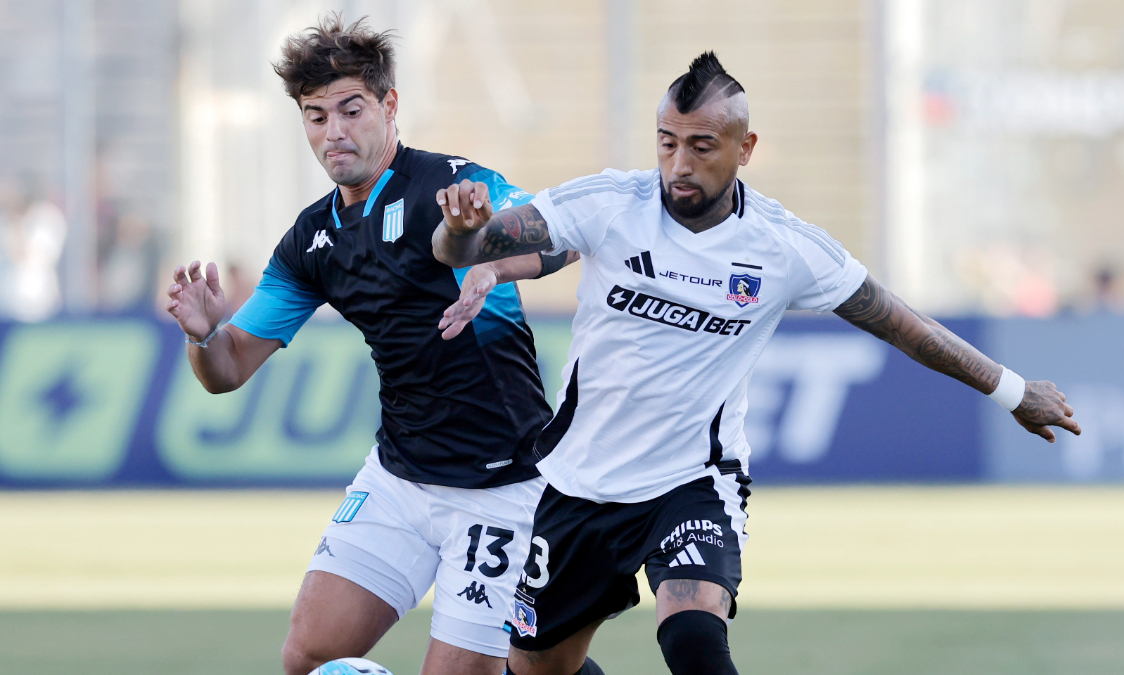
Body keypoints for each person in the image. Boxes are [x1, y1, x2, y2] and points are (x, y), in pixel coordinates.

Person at [432, 52, 1082, 675]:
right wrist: (463, 232)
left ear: (745, 148)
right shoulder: (609, 204)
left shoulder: (782, 247)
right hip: (579, 482)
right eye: (667, 142)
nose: (679, 164)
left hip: (691, 479)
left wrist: (1013, 390)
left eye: (702, 146)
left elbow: (905, 326)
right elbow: (463, 247)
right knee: (538, 667)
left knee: (692, 635)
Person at [164, 16, 576, 675]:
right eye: (316, 116)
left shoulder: (452, 186)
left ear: (389, 106)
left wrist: (491, 257)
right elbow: (228, 368)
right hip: (399, 480)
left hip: (503, 482)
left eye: (351, 110)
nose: (334, 131)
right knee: (309, 654)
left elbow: (561, 234)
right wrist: (205, 334)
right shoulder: (312, 240)